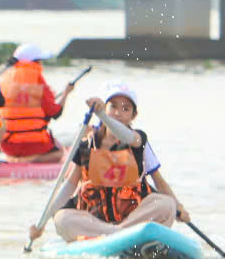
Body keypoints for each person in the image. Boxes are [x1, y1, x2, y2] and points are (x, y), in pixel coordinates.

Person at [35, 84, 189, 241]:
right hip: (95, 220)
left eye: (125, 109)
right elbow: (69, 186)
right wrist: (42, 223)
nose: (118, 113)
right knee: (61, 218)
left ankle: (117, 234)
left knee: (167, 205)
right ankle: (118, 234)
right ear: (105, 108)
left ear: (133, 115)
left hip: (133, 216)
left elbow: (159, 181)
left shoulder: (137, 139)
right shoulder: (86, 144)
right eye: (113, 107)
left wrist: (179, 207)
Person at [0, 44, 66, 160]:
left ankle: (14, 158)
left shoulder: (3, 78)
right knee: (59, 153)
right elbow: (55, 113)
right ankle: (29, 160)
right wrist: (66, 93)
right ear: (35, 62)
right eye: (40, 60)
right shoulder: (38, 79)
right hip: (33, 144)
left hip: (7, 145)